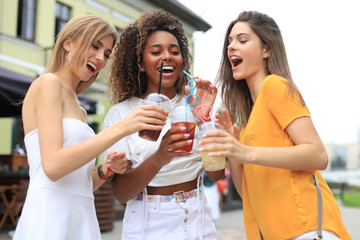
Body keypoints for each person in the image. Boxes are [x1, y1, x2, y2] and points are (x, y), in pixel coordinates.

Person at [199, 11, 352, 240]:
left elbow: (318, 155)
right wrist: (234, 150)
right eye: (229, 42)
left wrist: (244, 151)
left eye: (242, 40)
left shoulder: (275, 85)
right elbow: (248, 193)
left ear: (266, 49)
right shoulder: (250, 120)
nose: (231, 47)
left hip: (304, 228)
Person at [13, 14, 167, 240]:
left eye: (106, 53)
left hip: (81, 215)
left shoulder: (80, 109)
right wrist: (123, 127)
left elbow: (81, 182)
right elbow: (53, 167)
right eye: (95, 46)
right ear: (68, 42)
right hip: (50, 215)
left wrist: (107, 169)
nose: (100, 58)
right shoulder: (48, 83)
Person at [102, 9, 221, 240]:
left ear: (182, 60)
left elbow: (215, 174)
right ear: (140, 63)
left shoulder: (195, 106)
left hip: (197, 218)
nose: (167, 56)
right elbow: (120, 193)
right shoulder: (121, 114)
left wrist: (205, 119)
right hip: (148, 221)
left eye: (174, 51)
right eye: (156, 51)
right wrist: (160, 157)